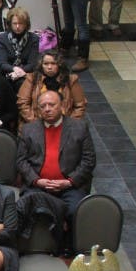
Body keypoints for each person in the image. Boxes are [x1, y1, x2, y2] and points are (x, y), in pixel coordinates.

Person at [16, 90, 96, 220]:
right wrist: (37, 180)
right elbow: (21, 161)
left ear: (62, 105)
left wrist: (69, 182)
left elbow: (89, 160)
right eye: (43, 106)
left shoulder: (79, 127)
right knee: (30, 211)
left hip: (70, 187)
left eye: (51, 105)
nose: (47, 109)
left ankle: (69, 240)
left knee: (75, 212)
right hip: (38, 187)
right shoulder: (28, 129)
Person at [17, 52, 87, 126]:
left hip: (64, 123)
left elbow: (80, 105)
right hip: (37, 121)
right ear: (41, 65)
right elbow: (23, 103)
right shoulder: (32, 79)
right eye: (46, 64)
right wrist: (35, 123)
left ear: (59, 65)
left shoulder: (71, 80)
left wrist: (69, 125)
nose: (49, 67)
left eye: (53, 63)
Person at [0, 7, 39, 91]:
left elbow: (32, 64)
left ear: (26, 24)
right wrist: (15, 69)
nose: (17, 26)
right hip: (6, 74)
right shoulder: (2, 38)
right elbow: (2, 63)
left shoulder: (34, 39)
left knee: (23, 84)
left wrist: (19, 73)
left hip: (25, 74)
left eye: (21, 23)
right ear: (10, 24)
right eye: (15, 23)